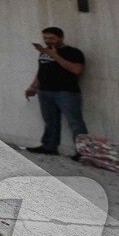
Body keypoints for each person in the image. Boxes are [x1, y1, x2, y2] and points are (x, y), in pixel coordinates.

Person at [23, 26, 88, 158]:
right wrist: (33, 86)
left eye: (51, 38)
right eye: (45, 38)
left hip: (66, 92)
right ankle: (49, 147)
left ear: (61, 38)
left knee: (75, 122)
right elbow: (41, 71)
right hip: (45, 92)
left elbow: (77, 70)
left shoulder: (73, 52)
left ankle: (83, 152)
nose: (48, 41)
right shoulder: (44, 52)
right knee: (50, 120)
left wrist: (55, 56)